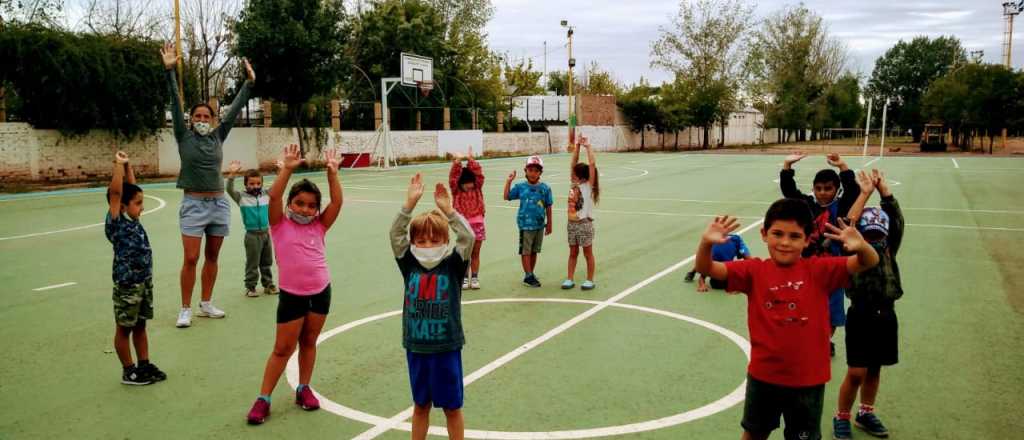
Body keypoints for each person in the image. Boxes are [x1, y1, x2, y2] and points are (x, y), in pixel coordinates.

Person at [694, 198, 879, 440]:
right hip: (764, 376)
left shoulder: (820, 270)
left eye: (794, 236)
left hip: (808, 380)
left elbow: (869, 261)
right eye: (777, 234)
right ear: (764, 234)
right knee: (753, 433)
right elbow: (707, 268)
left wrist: (862, 246)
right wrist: (705, 243)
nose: (784, 242)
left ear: (807, 239)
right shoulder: (753, 270)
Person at [246, 145, 344, 425]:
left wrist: (332, 174)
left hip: (321, 293)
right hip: (292, 296)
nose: (306, 209)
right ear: (290, 204)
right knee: (282, 349)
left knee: (309, 342)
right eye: (300, 203)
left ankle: (304, 388)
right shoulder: (278, 224)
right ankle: (263, 398)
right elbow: (273, 195)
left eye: (312, 205)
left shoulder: (319, 226)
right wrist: (287, 169)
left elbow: (336, 203)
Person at [161, 42, 256, 327]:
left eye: (207, 116)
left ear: (213, 120)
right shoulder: (183, 135)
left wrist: (249, 83)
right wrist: (169, 71)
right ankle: (185, 308)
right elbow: (176, 105)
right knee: (191, 258)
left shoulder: (218, 136)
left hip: (218, 204)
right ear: (191, 121)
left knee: (212, 256)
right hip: (193, 204)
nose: (202, 120)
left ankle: (206, 303)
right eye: (198, 117)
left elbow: (236, 107)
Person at [390, 173, 475, 440]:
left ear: (445, 242)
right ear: (414, 243)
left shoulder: (453, 264)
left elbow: (468, 236)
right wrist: (408, 206)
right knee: (420, 406)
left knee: (452, 408)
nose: (427, 246)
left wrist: (449, 211)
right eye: (422, 241)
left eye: (434, 240)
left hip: (446, 348)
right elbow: (395, 234)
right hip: (416, 347)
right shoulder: (409, 264)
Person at [832, 169, 905, 440]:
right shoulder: (854, 250)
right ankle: (842, 416)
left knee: (875, 368)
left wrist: (885, 191)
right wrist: (864, 194)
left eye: (878, 232)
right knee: (856, 371)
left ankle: (865, 412)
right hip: (861, 312)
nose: (874, 237)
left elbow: (897, 220)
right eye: (868, 233)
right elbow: (848, 225)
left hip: (887, 312)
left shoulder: (889, 248)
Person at [780, 152, 861, 356]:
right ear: (813, 189)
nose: (823, 193)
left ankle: (824, 340)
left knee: (831, 314)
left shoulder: (841, 207)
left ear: (836, 190)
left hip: (834, 270)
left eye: (828, 189)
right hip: (808, 269)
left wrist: (842, 165)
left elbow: (853, 190)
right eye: (818, 189)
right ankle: (809, 338)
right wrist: (787, 166)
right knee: (802, 307)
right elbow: (789, 191)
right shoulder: (808, 206)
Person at [105, 151, 166, 385]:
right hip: (127, 284)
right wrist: (118, 165)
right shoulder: (116, 221)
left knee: (140, 325)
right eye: (138, 203)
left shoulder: (132, 219)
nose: (142, 207)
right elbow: (118, 192)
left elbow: (131, 187)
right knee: (124, 329)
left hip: (143, 282)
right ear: (121, 206)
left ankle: (144, 365)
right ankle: (128, 370)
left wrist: (129, 164)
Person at [226, 161, 277, 297]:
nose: (255, 186)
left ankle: (268, 284)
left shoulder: (266, 194)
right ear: (246, 184)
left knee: (267, 262)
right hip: (252, 236)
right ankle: (251, 287)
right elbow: (229, 190)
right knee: (252, 263)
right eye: (252, 184)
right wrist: (232, 174)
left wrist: (282, 171)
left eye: (258, 184)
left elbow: (278, 186)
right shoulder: (241, 197)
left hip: (266, 234)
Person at [503, 155, 553, 287]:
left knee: (535, 250)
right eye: (530, 170)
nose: (533, 173)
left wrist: (549, 224)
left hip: (539, 225)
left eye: (536, 171)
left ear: (540, 173)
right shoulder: (520, 187)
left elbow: (548, 206)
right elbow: (507, 196)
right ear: (525, 171)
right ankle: (528, 275)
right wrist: (508, 181)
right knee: (526, 250)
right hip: (525, 224)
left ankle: (531, 272)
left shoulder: (545, 188)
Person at [562, 136, 600, 290]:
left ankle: (590, 279)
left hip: (584, 224)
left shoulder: (588, 186)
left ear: (582, 176)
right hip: (572, 224)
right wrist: (577, 146)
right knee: (572, 253)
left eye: (575, 173)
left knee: (587, 253)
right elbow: (573, 162)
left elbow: (592, 164)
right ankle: (569, 278)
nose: (572, 173)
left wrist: (588, 146)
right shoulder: (574, 184)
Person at [449, 147, 486, 290]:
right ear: (460, 183)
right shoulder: (456, 191)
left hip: (478, 225)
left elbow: (479, 175)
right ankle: (464, 278)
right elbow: (453, 177)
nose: (469, 185)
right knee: (465, 254)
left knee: (476, 253)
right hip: (463, 226)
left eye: (470, 182)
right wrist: (457, 162)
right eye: (465, 183)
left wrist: (471, 160)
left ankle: (475, 277)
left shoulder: (477, 188)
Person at [684, 233, 751, 292]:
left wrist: (702, 285)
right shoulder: (729, 269)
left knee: (702, 263)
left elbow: (701, 278)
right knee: (746, 259)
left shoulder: (711, 267)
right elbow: (702, 278)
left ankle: (692, 272)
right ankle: (692, 272)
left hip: (730, 242)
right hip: (731, 243)